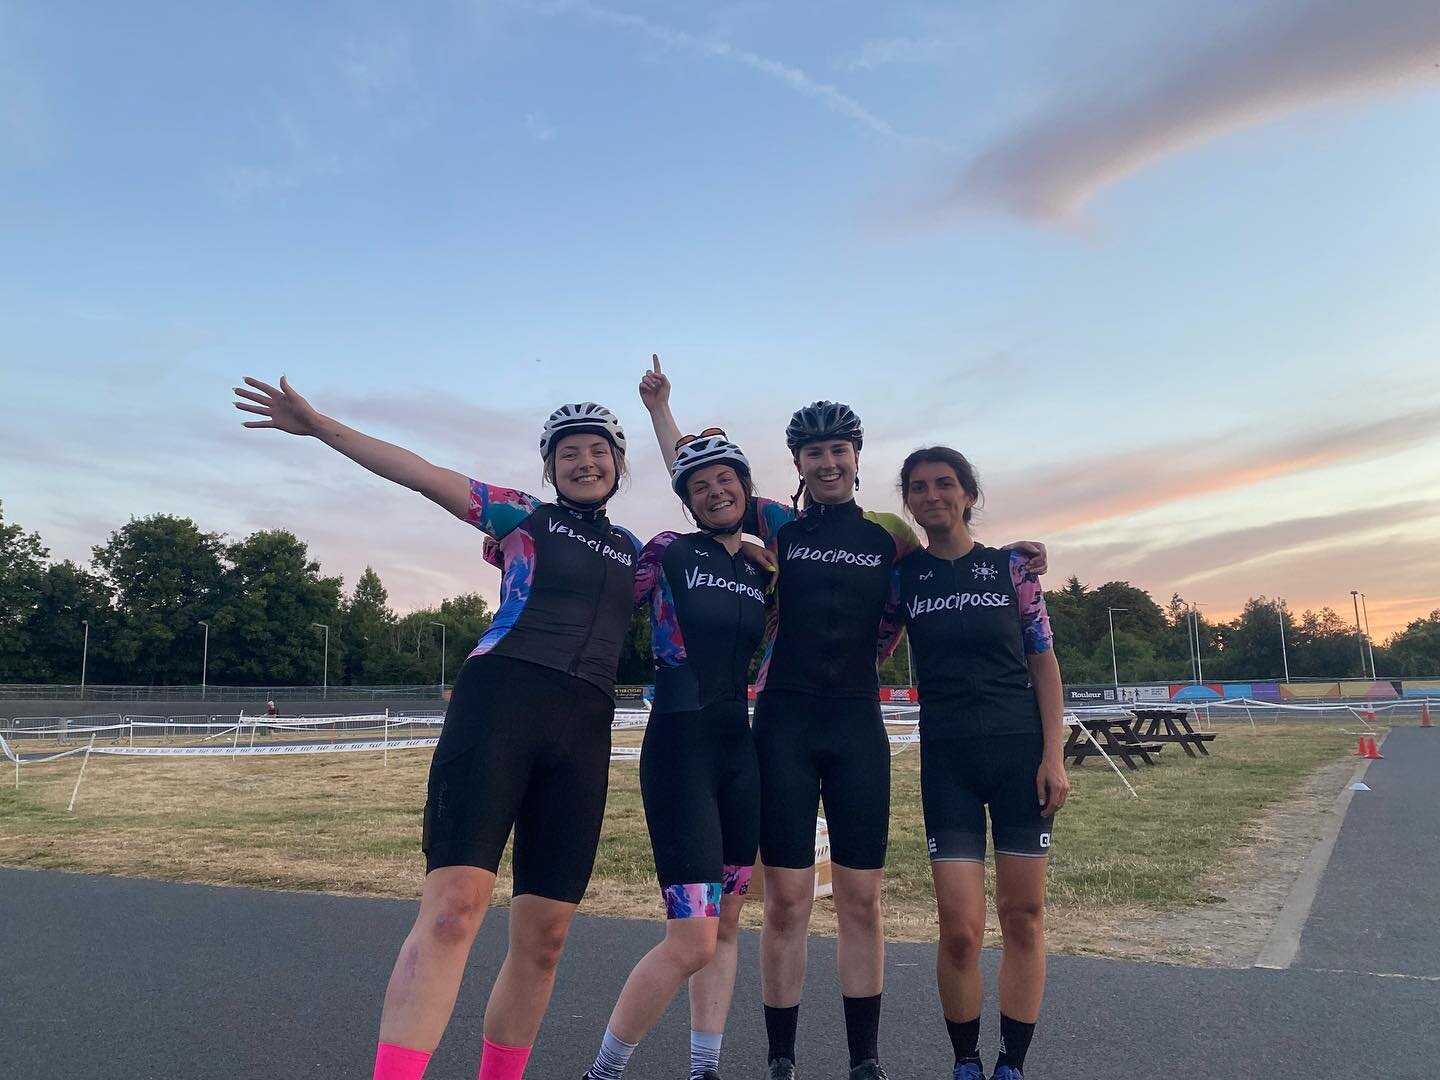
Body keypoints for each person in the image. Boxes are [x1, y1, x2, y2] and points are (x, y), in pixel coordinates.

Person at [638, 357, 1045, 1080]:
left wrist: (1019, 556)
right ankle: (782, 1059)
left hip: (858, 727)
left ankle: (864, 1061)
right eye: (814, 453)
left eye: (839, 451)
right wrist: (661, 410)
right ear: (798, 463)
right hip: (785, 725)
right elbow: (704, 481)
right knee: (788, 901)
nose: (828, 462)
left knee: (860, 900)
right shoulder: (779, 524)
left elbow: (955, 555)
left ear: (857, 459)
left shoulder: (891, 533)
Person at [232, 377, 640, 1080]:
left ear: (617, 465)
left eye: (597, 452)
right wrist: (319, 424)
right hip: (502, 701)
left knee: (546, 935)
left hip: (585, 727)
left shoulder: (640, 551)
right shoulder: (521, 517)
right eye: (568, 452)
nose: (584, 462)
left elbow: (712, 553)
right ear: (550, 467)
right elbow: (421, 475)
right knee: (455, 908)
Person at [584, 431, 768, 1080]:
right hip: (680, 751)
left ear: (746, 487)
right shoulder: (668, 552)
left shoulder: (758, 569)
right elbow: (599, 597)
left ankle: (704, 1069)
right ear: (687, 501)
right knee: (691, 937)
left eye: (726, 479)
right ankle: (601, 1073)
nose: (716, 490)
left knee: (727, 925)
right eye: (699, 485)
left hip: (738, 758)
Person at [889, 447, 1068, 1080]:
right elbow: (846, 626)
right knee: (961, 929)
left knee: (1023, 917)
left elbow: (1043, 660)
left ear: (968, 494)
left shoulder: (1012, 569)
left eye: (944, 484)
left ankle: (1011, 1064)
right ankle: (965, 1061)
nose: (931, 495)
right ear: (907, 501)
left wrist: (1055, 754)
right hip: (949, 765)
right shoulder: (903, 577)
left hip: (1020, 757)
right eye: (918, 487)